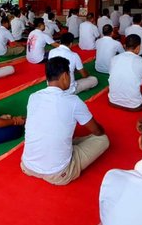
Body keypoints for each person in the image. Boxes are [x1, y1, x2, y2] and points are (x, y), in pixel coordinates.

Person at [21, 55, 110, 184]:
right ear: (64, 76)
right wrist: (101, 131)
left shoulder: (33, 97)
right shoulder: (73, 101)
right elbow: (97, 131)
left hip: (27, 166)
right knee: (103, 139)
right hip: (58, 174)